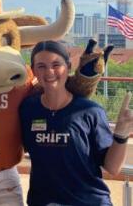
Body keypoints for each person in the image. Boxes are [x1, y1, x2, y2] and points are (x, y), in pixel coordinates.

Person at [19, 40, 133, 206]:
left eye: (56, 64)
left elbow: (112, 168)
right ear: (33, 70)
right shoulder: (28, 109)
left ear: (69, 66)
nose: (49, 72)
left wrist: (121, 134)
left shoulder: (89, 111)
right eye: (41, 66)